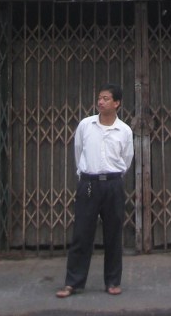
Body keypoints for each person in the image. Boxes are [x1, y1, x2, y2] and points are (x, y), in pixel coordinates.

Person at [56, 84, 134, 298]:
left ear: (117, 103)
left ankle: (113, 281)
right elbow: (78, 151)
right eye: (99, 98)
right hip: (88, 184)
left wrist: (113, 178)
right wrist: (85, 174)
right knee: (81, 234)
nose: (101, 102)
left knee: (113, 235)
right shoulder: (86, 125)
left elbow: (126, 159)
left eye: (106, 98)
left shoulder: (124, 130)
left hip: (113, 185)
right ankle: (73, 282)